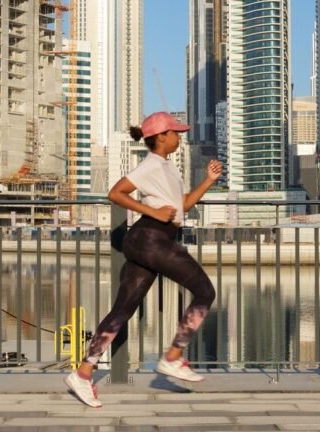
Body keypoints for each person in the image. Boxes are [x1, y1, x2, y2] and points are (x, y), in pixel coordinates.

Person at [64, 112, 222, 407]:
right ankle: (173, 356)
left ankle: (83, 373)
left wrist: (208, 181)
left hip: (152, 240)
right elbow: (116, 193)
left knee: (122, 310)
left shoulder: (168, 168)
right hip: (150, 238)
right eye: (175, 132)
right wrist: (153, 212)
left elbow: (182, 205)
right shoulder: (151, 165)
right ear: (161, 136)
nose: (179, 136)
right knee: (205, 291)